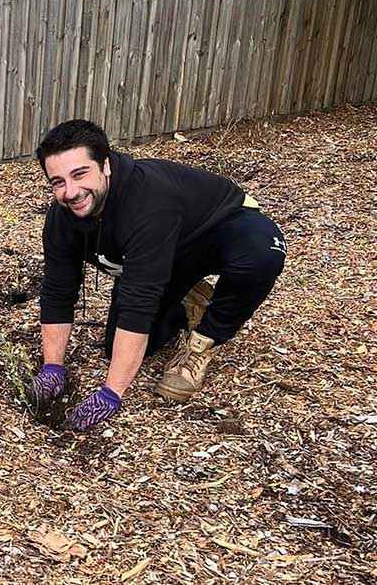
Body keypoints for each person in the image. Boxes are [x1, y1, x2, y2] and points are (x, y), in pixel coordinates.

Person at [27, 120, 285, 432]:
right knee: (119, 349)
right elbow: (58, 290)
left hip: (220, 229)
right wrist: (53, 366)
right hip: (164, 255)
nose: (70, 192)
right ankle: (188, 296)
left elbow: (139, 302)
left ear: (105, 165)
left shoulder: (147, 202)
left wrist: (111, 393)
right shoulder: (61, 219)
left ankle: (205, 339)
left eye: (80, 174)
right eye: (58, 182)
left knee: (261, 254)